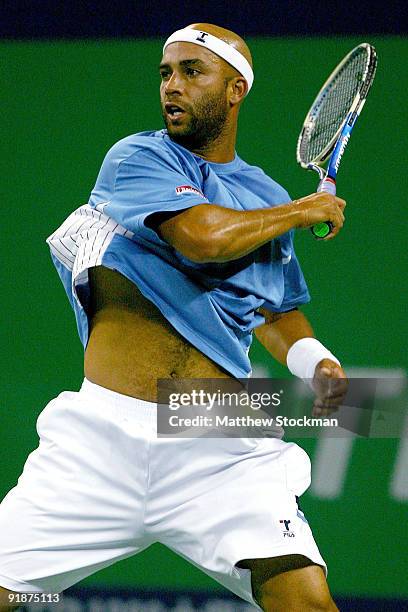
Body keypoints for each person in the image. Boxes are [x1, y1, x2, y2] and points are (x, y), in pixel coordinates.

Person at [0, 23, 347, 612]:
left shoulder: (264, 193)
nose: (172, 87)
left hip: (216, 433)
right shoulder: (139, 156)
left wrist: (316, 361)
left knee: (307, 604)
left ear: (235, 90)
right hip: (102, 438)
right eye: (166, 73)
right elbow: (200, 239)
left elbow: (271, 307)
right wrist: (297, 211)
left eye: (192, 71)